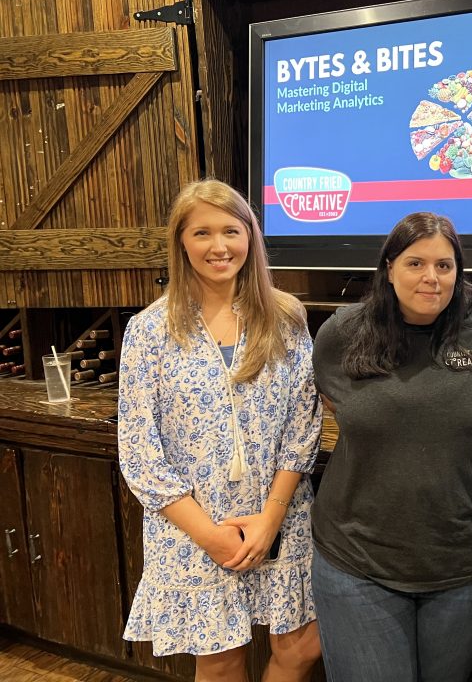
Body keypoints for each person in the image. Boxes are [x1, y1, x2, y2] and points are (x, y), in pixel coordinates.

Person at [118, 179, 322, 682]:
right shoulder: (149, 330)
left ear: (250, 237)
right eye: (202, 232)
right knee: (221, 659)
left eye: (231, 230)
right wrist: (210, 536)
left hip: (280, 512)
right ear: (181, 242)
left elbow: (303, 425)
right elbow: (140, 452)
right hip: (193, 523)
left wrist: (271, 519)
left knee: (302, 645)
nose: (219, 246)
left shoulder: (286, 316)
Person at [311, 212, 472, 682]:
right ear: (389, 268)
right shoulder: (342, 333)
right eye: (416, 263)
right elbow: (334, 407)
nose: (431, 278)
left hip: (462, 565)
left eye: (444, 265)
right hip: (356, 562)